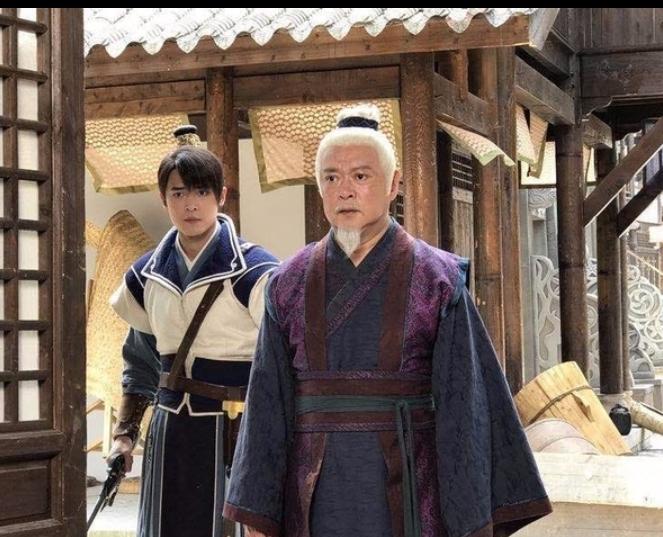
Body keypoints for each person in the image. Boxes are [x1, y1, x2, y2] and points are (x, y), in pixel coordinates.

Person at [223, 105, 552, 537]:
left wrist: (471, 517)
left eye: (361, 176)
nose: (344, 191)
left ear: (394, 184)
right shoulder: (287, 283)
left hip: (412, 480)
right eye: (331, 178)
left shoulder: (437, 279)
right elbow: (268, 402)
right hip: (314, 487)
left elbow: (464, 403)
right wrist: (258, 513)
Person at [108, 134, 279, 537]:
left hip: (236, 430)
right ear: (163, 198)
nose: (191, 204)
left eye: (202, 192)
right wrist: (124, 435)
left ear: (221, 196)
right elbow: (140, 361)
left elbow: (283, 362)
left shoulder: (255, 271)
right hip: (169, 431)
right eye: (179, 192)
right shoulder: (146, 274)